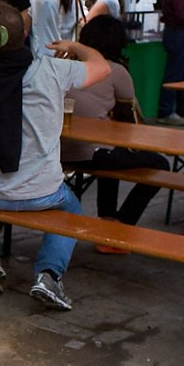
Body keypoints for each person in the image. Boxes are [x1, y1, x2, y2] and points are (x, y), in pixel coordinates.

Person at [0, 0, 110, 311]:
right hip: (45, 192)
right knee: (73, 207)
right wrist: (74, 44)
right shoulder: (52, 71)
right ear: (25, 36)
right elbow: (103, 67)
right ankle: (49, 275)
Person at [60, 16, 170, 252]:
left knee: (111, 155)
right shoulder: (115, 71)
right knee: (160, 165)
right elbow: (130, 118)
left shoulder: (63, 66)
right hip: (89, 152)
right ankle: (120, 229)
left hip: (57, 149)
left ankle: (108, 222)